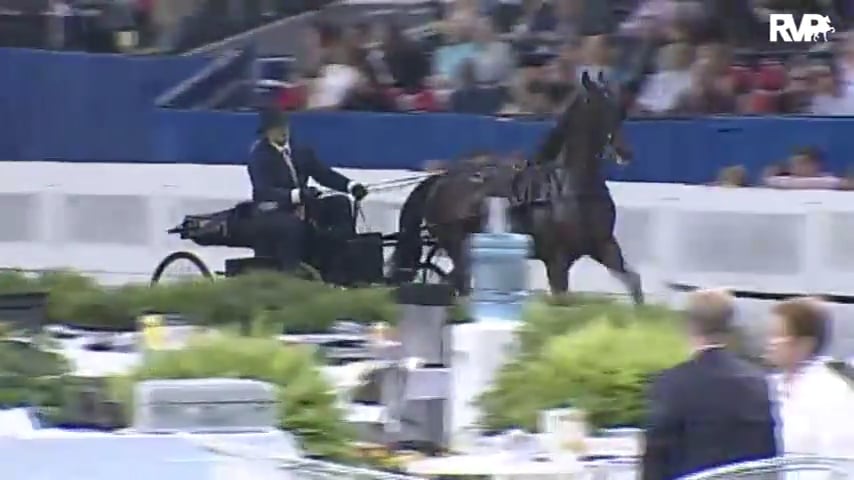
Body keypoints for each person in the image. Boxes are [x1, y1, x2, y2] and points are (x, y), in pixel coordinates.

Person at [641, 289, 778, 480]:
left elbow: (656, 459)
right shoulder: (759, 382)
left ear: (690, 327)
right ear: (730, 327)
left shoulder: (674, 383)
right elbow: (768, 455)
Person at [247, 109, 368, 271]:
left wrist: (350, 186)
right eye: (277, 128)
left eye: (284, 126)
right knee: (291, 225)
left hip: (303, 205)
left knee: (340, 203)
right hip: (273, 210)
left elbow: (322, 173)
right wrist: (297, 195)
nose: (283, 131)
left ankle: (340, 261)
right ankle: (291, 271)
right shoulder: (259, 156)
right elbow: (264, 191)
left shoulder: (300, 150)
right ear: (267, 133)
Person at [764, 297, 854, 457]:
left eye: (778, 335)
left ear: (805, 344)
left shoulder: (832, 393)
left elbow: (841, 458)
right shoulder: (770, 385)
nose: (770, 342)